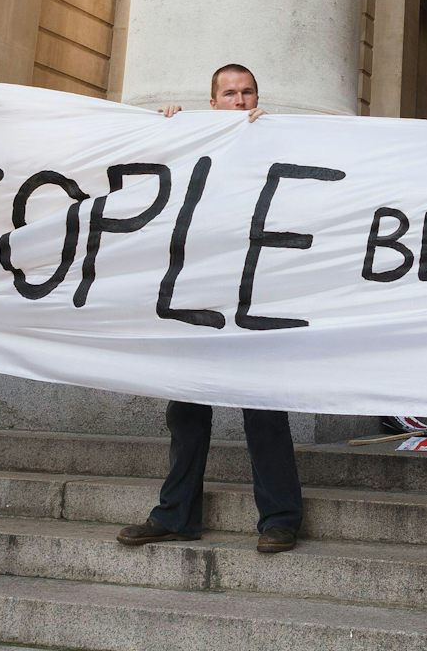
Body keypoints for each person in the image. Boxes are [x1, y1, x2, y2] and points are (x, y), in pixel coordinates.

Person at [118, 64, 303, 555]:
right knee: (187, 410)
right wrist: (169, 131)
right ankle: (176, 515)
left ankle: (280, 519)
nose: (240, 101)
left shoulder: (275, 140)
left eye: (248, 92)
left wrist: (273, 138)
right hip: (198, 297)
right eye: (229, 94)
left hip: (252, 296)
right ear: (213, 101)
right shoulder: (192, 140)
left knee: (263, 411)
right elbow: (150, 183)